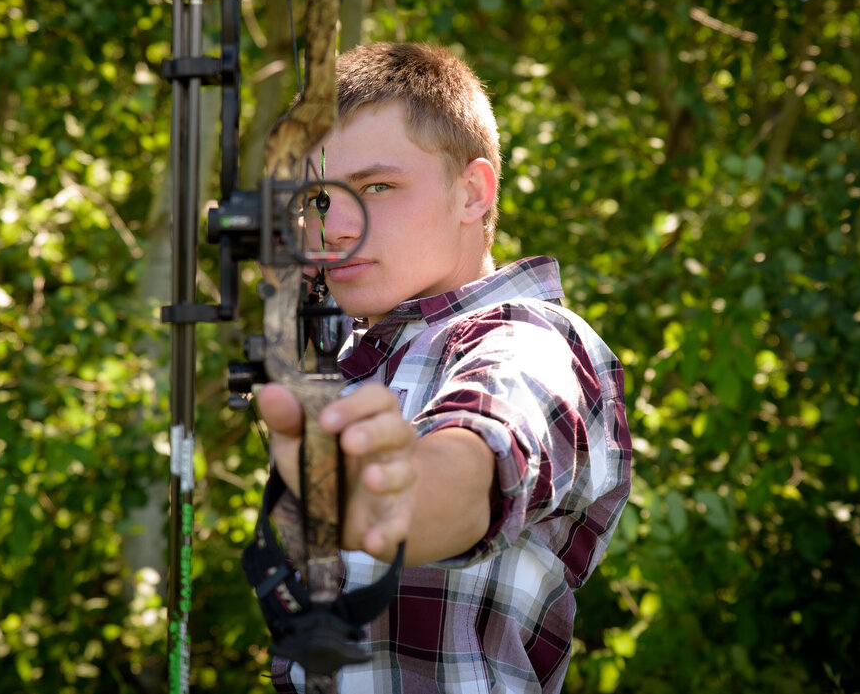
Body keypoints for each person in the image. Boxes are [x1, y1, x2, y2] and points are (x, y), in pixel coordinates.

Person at [255, 42, 632, 693]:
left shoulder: (529, 340)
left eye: (377, 186)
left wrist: (393, 496)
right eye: (316, 197)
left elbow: (465, 471)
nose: (334, 226)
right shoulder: (348, 356)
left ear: (472, 193)